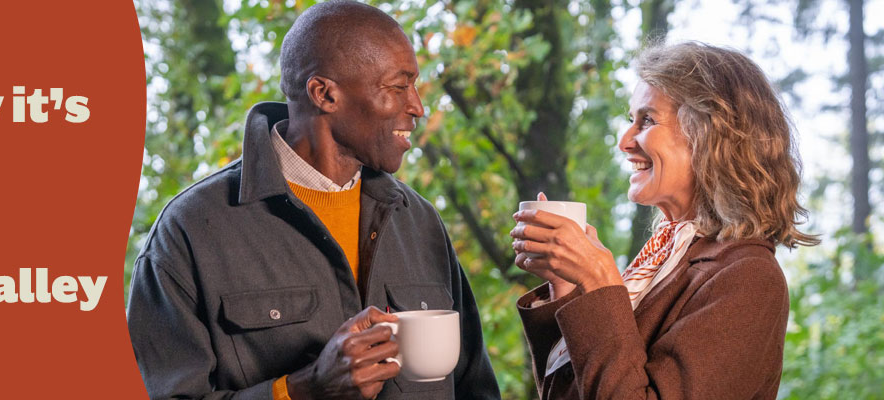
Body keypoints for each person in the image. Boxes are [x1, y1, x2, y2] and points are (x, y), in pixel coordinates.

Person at [126, 1, 501, 399]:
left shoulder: (420, 222)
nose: (418, 107)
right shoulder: (190, 231)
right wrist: (304, 389)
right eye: (398, 86)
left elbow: (476, 389)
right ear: (324, 94)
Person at [508, 41, 820, 399]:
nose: (625, 141)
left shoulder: (749, 278)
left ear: (709, 135)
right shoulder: (663, 260)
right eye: (631, 120)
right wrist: (566, 286)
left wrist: (598, 283)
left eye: (647, 120)